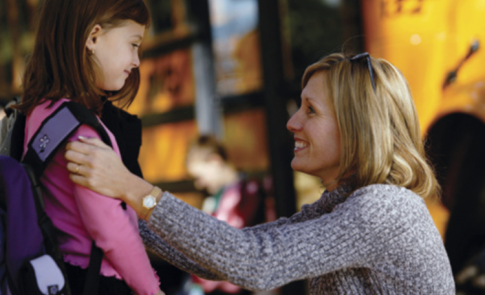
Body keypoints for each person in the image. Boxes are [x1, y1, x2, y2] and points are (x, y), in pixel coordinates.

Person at [64, 52, 456, 294]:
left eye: (311, 111)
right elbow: (220, 256)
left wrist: (134, 190)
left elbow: (257, 264)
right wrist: (121, 208)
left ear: (357, 128)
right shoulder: (341, 205)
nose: (292, 123)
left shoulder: (384, 211)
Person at [13, 0, 164, 294]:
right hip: (98, 280)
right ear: (93, 37)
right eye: (133, 44)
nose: (136, 61)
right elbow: (110, 229)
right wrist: (152, 289)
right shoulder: (81, 128)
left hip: (61, 274)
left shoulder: (40, 112)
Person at [185, 135, 267, 295]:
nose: (199, 184)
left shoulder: (251, 194)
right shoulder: (212, 200)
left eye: (200, 176)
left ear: (215, 162)